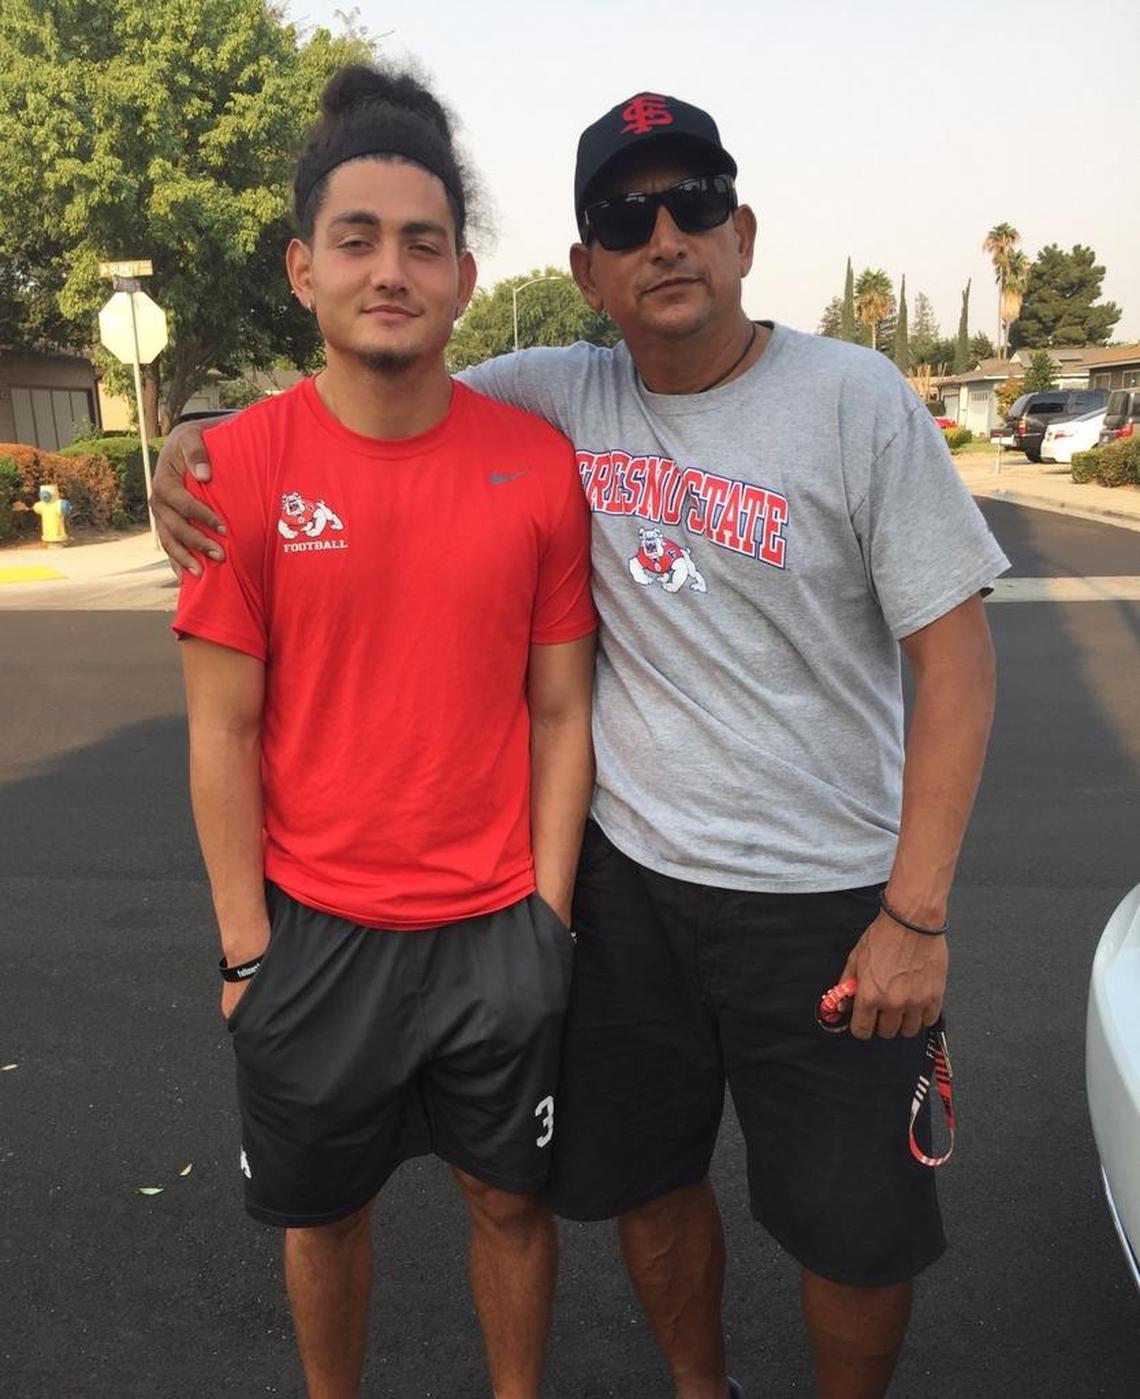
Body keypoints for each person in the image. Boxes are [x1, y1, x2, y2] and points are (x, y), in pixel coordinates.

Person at [154, 89, 1007, 1399]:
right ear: (584, 269)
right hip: (631, 897)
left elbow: (954, 666)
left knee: (854, 1229)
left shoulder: (856, 403)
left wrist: (919, 911)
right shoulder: (560, 392)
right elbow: (376, 389)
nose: (664, 235)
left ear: (743, 233)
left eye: (694, 205)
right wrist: (194, 442)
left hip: (826, 901)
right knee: (642, 1189)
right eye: (626, 214)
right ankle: (698, 1387)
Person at [172, 66, 596, 1399]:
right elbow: (221, 733)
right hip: (311, 939)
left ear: (466, 278)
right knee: (326, 1218)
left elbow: (563, 706)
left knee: (510, 1209)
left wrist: (550, 919)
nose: (390, 269)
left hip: (494, 939)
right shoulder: (236, 470)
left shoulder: (534, 465)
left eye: (422, 242)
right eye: (357, 239)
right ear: (304, 269)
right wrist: (247, 951)